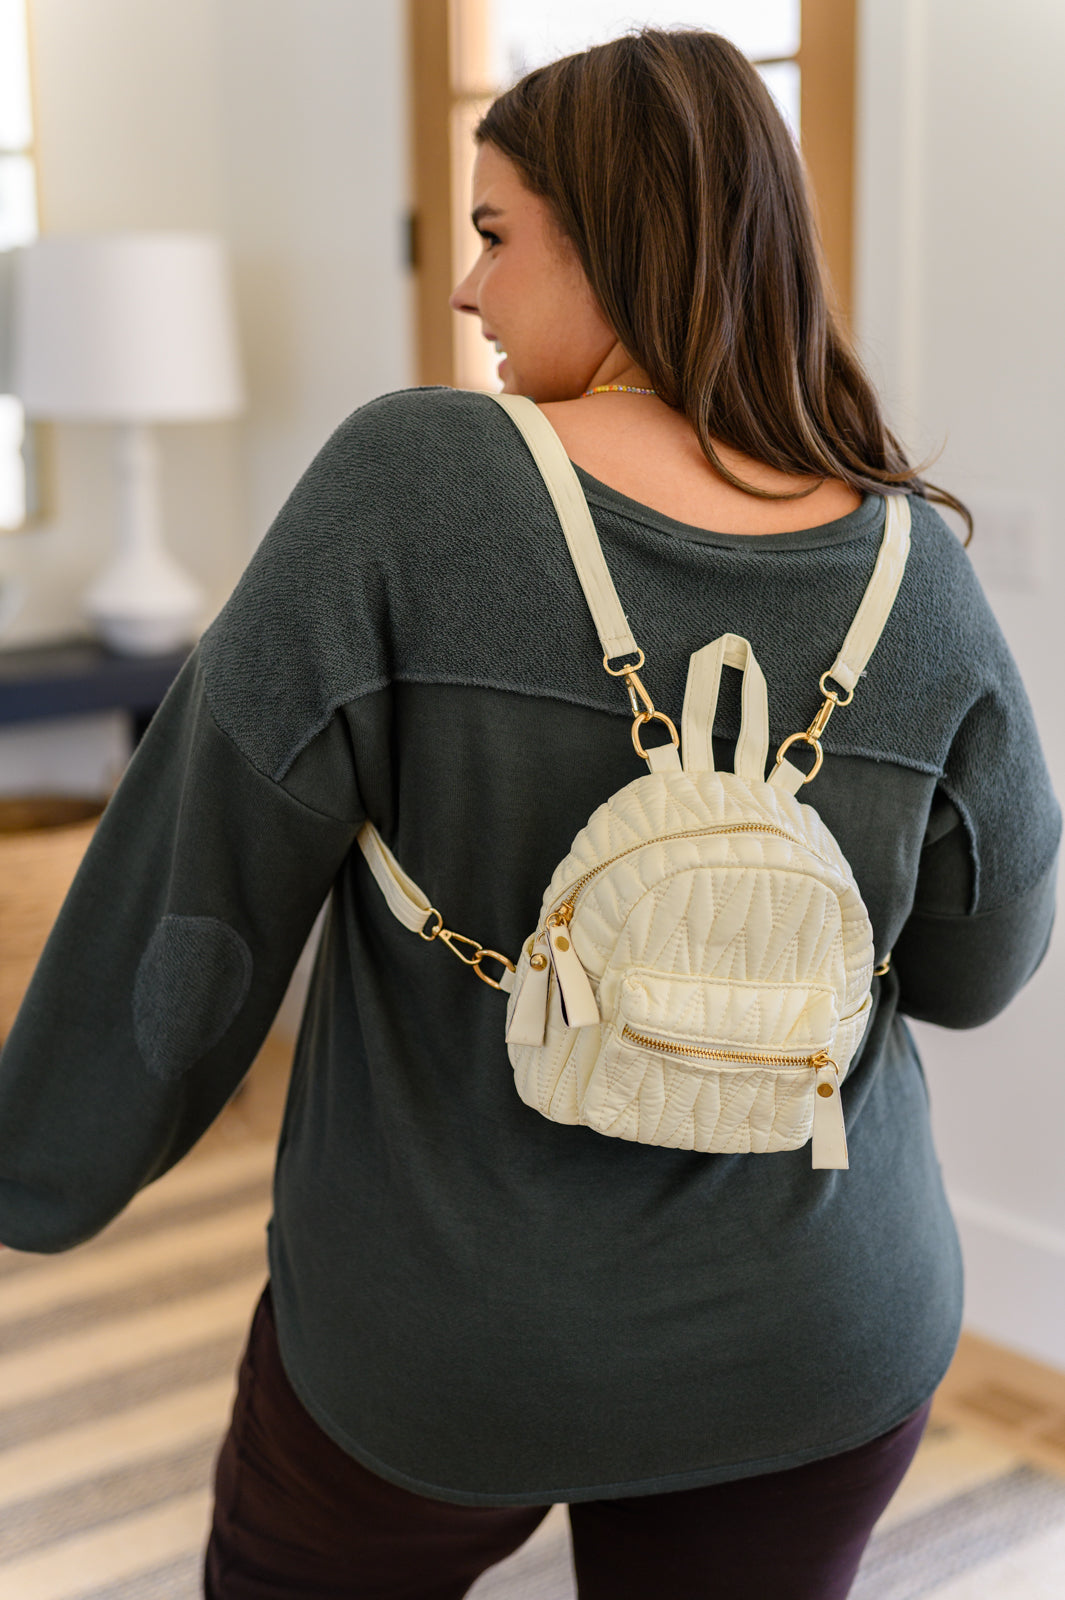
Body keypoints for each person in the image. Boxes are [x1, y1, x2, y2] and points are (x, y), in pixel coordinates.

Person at [0, 28, 1058, 1600]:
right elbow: (975, 973)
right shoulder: (914, 567)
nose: (464, 288)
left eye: (496, 234)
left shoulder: (408, 483)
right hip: (816, 1340)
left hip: (442, 1342)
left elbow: (192, 887)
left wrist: (40, 1165)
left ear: (620, 239)